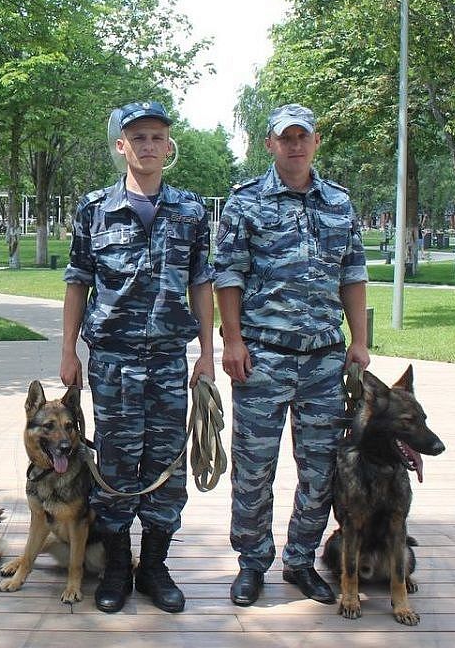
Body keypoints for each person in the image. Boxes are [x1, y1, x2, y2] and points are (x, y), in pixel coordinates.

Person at [61, 100, 216, 614]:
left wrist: (207, 357)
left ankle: (154, 566)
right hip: (112, 361)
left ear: (168, 146)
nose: (148, 146)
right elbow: (78, 281)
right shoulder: (93, 210)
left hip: (170, 360)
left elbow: (201, 284)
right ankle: (117, 568)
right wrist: (68, 351)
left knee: (166, 465)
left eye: (157, 137)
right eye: (138, 137)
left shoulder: (191, 212)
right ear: (120, 146)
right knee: (115, 465)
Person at [213, 103, 370, 608]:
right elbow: (229, 275)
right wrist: (232, 341)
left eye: (304, 136)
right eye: (286, 138)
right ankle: (252, 562)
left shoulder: (340, 204)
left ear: (316, 142)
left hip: (324, 361)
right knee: (254, 468)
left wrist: (360, 341)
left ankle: (301, 560)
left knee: (321, 469)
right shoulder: (245, 202)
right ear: (270, 145)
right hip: (263, 358)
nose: (296, 145)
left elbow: (353, 275)